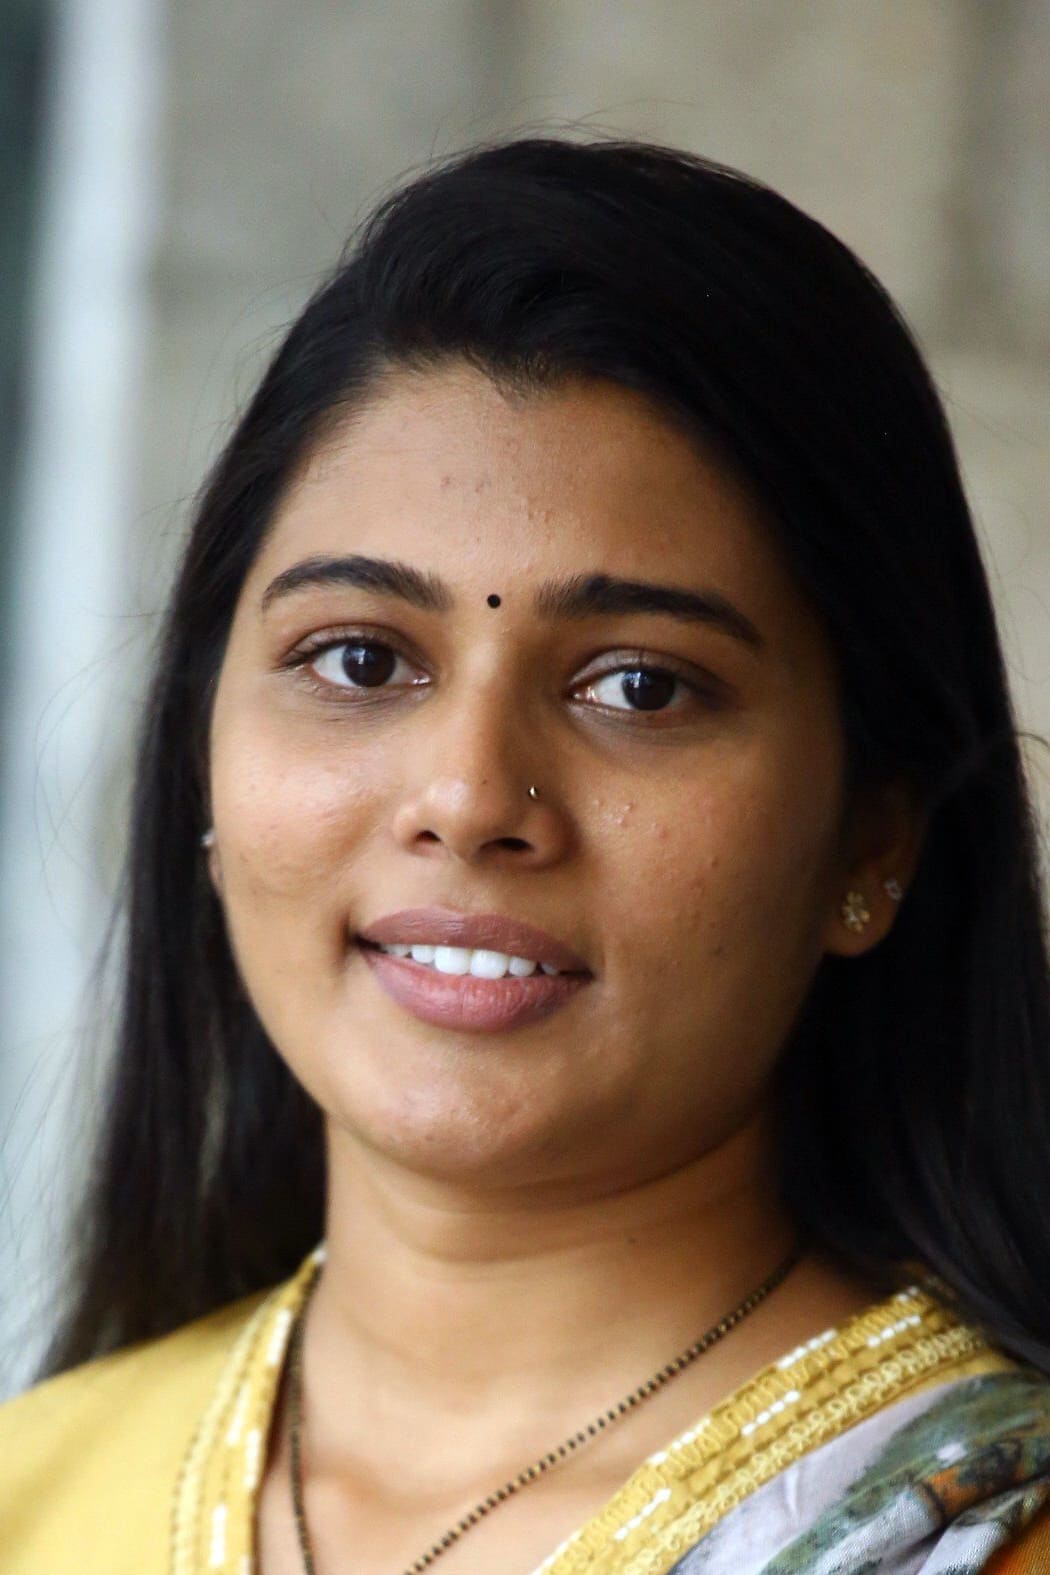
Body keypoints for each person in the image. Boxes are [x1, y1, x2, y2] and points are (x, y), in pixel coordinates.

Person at [2, 136, 1049, 1575]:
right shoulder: (37, 1495)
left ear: (873, 834)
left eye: (640, 686)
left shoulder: (989, 1528)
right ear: (206, 757)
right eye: (360, 659)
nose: (470, 794)